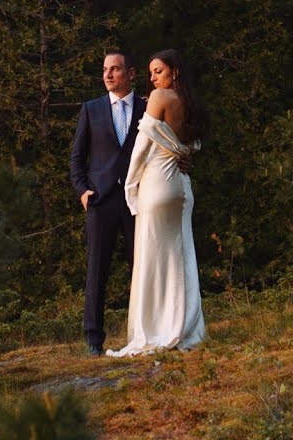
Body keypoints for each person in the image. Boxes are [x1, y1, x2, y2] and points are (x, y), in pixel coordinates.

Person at [107, 49, 208, 357]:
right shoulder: (191, 105)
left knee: (151, 259)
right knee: (181, 258)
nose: (152, 78)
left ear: (174, 72)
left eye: (158, 71)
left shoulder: (159, 98)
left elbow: (140, 148)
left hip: (158, 185)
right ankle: (185, 327)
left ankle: (153, 329)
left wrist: (131, 185)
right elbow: (192, 147)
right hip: (181, 188)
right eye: (151, 72)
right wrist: (186, 158)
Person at [70, 51, 145, 356]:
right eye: (105, 69)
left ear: (131, 73)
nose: (108, 74)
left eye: (115, 69)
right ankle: (92, 340)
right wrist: (82, 191)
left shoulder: (146, 107)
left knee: (140, 269)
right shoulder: (91, 109)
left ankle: (143, 333)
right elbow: (77, 156)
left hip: (137, 200)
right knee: (97, 271)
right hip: (100, 201)